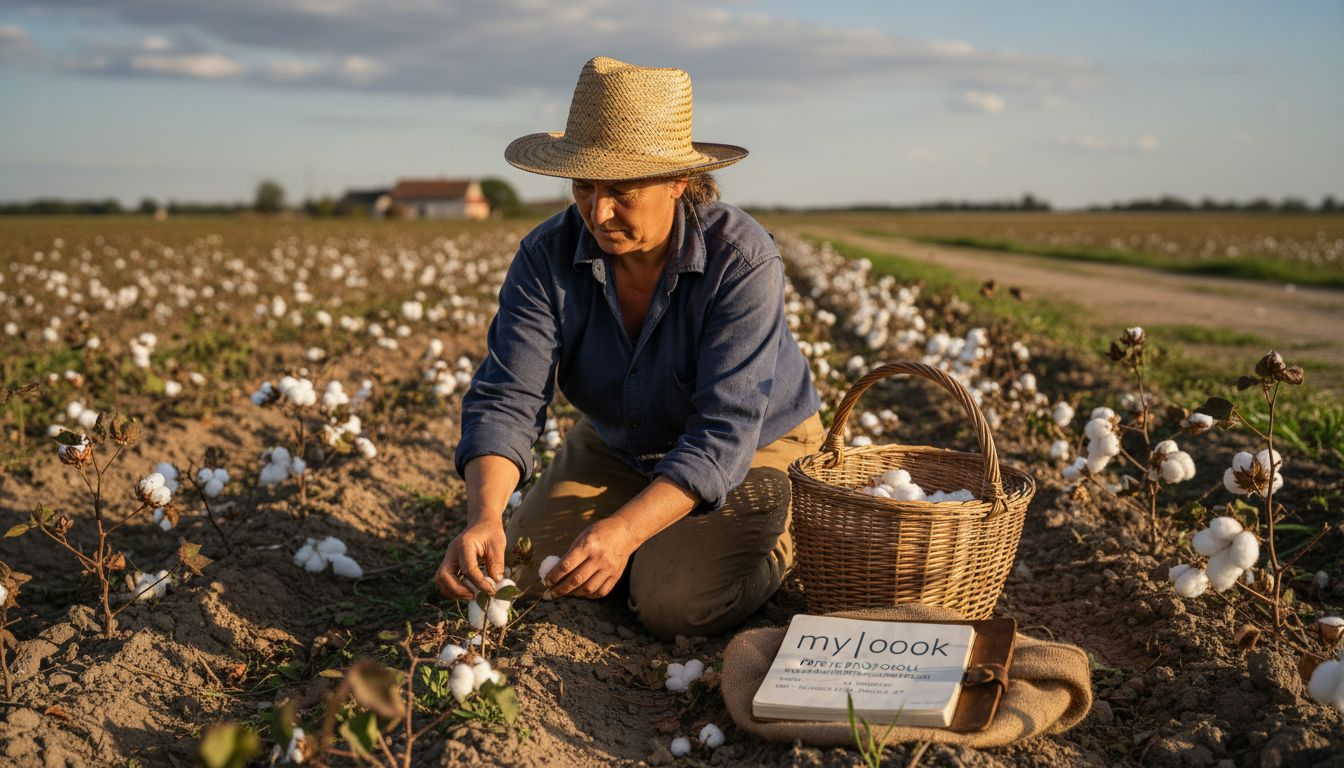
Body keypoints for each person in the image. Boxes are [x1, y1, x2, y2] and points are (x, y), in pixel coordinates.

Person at [434, 56, 822, 638]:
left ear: (678, 182)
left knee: (673, 605)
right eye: (584, 187)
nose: (599, 211)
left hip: (755, 447)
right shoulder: (545, 257)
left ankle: (782, 538)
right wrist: (486, 517)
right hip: (623, 442)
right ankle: (649, 539)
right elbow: (507, 396)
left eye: (622, 190)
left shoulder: (740, 260)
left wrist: (625, 531)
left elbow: (725, 430)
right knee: (527, 571)